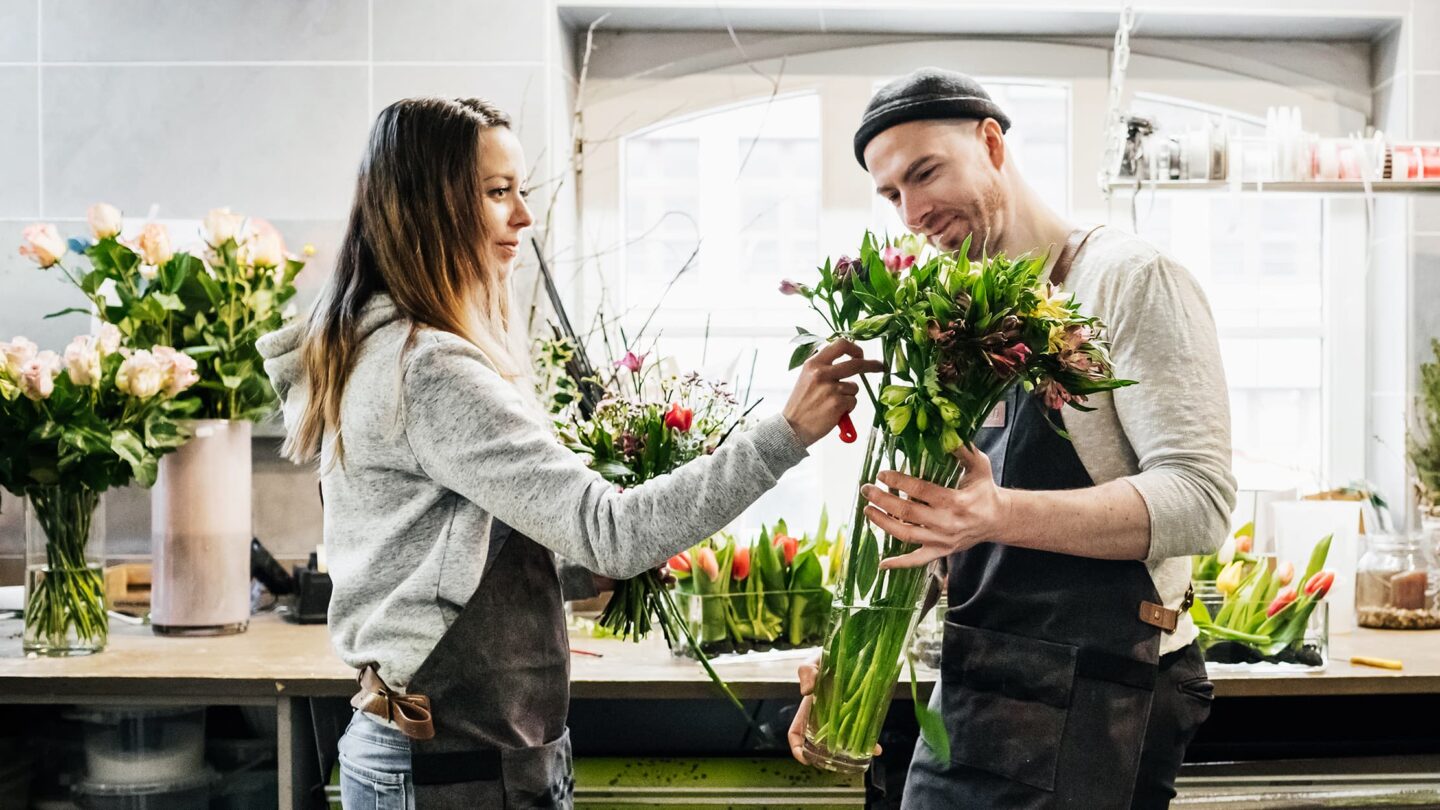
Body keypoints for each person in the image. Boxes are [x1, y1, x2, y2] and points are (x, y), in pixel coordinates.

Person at [258, 96, 881, 810]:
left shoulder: (386, 349)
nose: (524, 217)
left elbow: (447, 551)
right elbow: (611, 531)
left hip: (465, 751)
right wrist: (788, 433)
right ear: (430, 209)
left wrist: (576, 574)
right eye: (498, 193)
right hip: (448, 764)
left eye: (519, 191)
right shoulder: (428, 370)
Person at [787, 69, 1237, 809]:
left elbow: (1201, 499)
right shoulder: (951, 316)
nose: (913, 213)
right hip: (979, 683)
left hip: (1103, 690)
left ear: (991, 143)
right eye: (892, 194)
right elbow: (944, 524)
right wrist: (850, 663)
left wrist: (998, 515)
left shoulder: (1130, 280)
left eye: (925, 173)